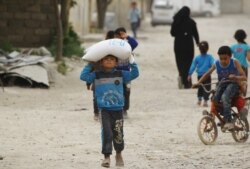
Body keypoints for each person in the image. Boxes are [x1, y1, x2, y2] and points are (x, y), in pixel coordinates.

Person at [80, 55, 139, 168]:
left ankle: (119, 154)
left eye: (112, 59)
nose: (109, 61)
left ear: (117, 63)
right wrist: (90, 64)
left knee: (118, 133)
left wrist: (132, 61)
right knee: (107, 132)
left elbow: (135, 73)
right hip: (104, 110)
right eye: (106, 59)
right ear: (101, 61)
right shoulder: (96, 75)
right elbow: (83, 77)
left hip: (118, 109)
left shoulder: (121, 74)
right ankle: (106, 156)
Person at [193, 46, 246, 130]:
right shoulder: (217, 63)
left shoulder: (235, 62)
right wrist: (198, 83)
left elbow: (244, 77)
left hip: (233, 84)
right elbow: (207, 73)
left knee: (225, 97)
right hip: (222, 84)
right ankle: (224, 116)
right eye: (221, 58)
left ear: (230, 56)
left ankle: (228, 121)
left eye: (225, 58)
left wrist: (235, 77)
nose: (223, 61)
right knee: (214, 99)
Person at [87, 30, 115, 121]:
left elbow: (92, 63)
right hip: (107, 75)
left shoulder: (100, 48)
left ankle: (97, 113)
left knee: (96, 95)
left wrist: (88, 82)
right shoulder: (116, 50)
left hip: (98, 75)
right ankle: (102, 112)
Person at [170, 6, 200, 89]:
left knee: (180, 63)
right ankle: (186, 82)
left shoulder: (176, 21)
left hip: (178, 45)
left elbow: (172, 33)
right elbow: (195, 34)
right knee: (188, 63)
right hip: (188, 46)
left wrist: (179, 33)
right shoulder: (191, 22)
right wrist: (198, 42)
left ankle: (182, 77)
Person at [114, 27, 138, 118]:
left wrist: (127, 37)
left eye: (121, 35)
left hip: (126, 73)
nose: (118, 37)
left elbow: (135, 43)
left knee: (126, 91)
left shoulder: (127, 45)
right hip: (115, 73)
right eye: (117, 35)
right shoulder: (112, 46)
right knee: (116, 91)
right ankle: (117, 109)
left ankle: (125, 109)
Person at [188, 41, 215, 107]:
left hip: (200, 76)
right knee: (207, 88)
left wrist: (189, 74)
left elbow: (193, 66)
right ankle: (205, 101)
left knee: (200, 87)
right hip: (207, 75)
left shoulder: (197, 58)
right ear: (207, 48)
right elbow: (214, 64)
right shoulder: (210, 57)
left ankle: (199, 100)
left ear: (199, 49)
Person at [230, 29, 250, 96]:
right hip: (243, 67)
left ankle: (237, 96)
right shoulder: (247, 46)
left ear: (235, 37)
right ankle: (243, 97)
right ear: (244, 37)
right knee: (244, 81)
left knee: (236, 81)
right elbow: (249, 58)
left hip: (235, 67)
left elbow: (229, 57)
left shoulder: (232, 47)